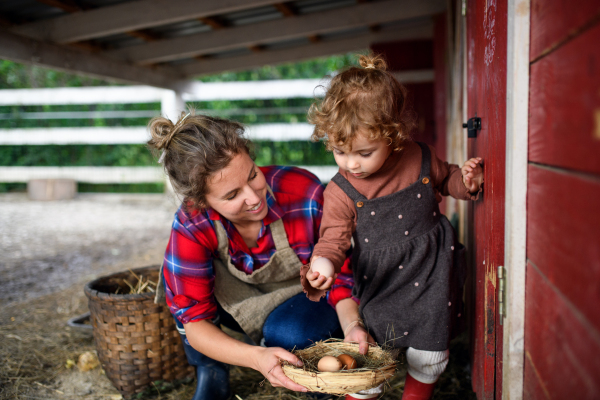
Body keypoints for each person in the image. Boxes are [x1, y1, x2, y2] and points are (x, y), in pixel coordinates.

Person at [300, 54, 484, 400]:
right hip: (382, 283)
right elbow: (333, 239)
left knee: (429, 355)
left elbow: (449, 182)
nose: (351, 163)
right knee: (370, 358)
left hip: (431, 273)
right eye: (340, 151)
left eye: (364, 152)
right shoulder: (340, 191)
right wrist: (323, 265)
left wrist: (467, 182)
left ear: (393, 135)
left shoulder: (421, 158)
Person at [147, 112, 365, 400]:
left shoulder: (301, 191)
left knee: (293, 334)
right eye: (231, 195)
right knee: (175, 272)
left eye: (252, 175)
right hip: (236, 300)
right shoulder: (192, 222)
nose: (253, 197)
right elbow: (194, 320)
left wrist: (353, 325)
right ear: (201, 201)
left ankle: (289, 352)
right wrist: (256, 358)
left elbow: (342, 273)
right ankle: (211, 370)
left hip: (303, 296)